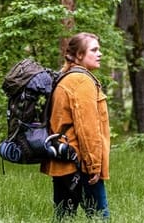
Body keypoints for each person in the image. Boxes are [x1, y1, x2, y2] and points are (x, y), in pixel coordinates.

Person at [41, 32, 110, 220]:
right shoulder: (81, 81)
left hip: (64, 161)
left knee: (64, 218)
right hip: (81, 165)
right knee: (99, 218)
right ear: (79, 55)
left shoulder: (68, 77)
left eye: (99, 49)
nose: (99, 54)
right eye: (94, 50)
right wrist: (94, 165)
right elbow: (87, 129)